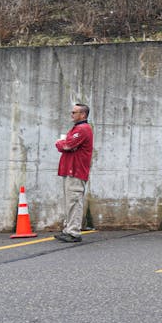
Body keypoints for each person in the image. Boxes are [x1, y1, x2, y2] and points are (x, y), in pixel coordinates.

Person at [54, 102, 94, 243]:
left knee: (74, 202)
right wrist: (64, 143)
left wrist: (60, 142)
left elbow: (66, 144)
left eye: (74, 112)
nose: (71, 114)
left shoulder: (83, 129)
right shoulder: (78, 128)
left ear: (82, 114)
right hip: (71, 170)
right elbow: (68, 144)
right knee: (69, 202)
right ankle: (68, 229)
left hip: (76, 171)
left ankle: (73, 232)